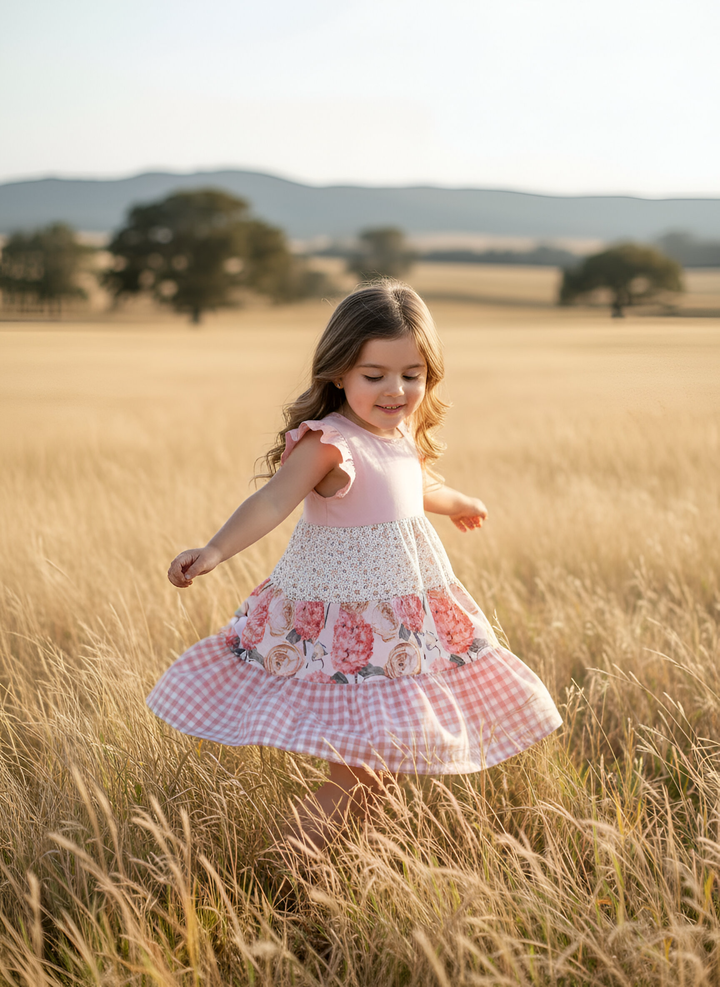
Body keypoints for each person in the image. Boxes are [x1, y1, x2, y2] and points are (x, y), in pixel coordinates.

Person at [147, 281, 562, 850]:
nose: (396, 390)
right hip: (349, 635)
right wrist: (215, 550)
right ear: (339, 373)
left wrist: (460, 503)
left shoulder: (399, 435)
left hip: (398, 628)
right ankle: (288, 871)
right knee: (360, 778)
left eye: (412, 374)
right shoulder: (329, 443)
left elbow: (417, 487)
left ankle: (327, 869)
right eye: (375, 375)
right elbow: (272, 501)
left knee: (380, 775)